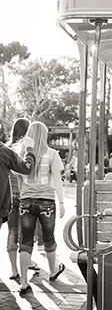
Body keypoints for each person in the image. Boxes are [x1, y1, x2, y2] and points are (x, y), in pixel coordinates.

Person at [17, 121, 66, 295]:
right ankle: (53, 271)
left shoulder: (22, 154)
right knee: (49, 238)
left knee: (25, 240)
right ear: (44, 135)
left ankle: (23, 282)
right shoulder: (52, 154)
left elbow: (20, 178)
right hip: (46, 201)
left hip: (26, 201)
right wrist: (61, 202)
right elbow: (58, 180)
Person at [6, 118, 40, 278]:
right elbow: (27, 170)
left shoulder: (6, 148)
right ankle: (28, 262)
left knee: (12, 232)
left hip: (9, 198)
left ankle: (14, 269)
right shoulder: (25, 148)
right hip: (25, 196)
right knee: (27, 232)